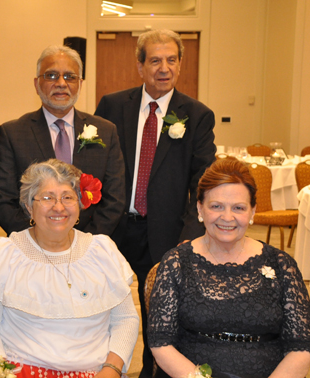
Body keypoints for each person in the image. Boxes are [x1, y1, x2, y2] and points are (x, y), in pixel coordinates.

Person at [94, 29, 216, 378]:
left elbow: (201, 183)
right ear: (140, 65)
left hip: (167, 234)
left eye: (172, 60)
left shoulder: (197, 115)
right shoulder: (113, 105)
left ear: (180, 64)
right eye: (155, 60)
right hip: (114, 228)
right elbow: (95, 168)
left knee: (159, 319)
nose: (164, 68)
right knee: (102, 309)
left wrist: (188, 237)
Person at [0, 159, 139, 378]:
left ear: (78, 204)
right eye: (47, 198)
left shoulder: (102, 251)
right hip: (19, 373)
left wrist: (112, 369)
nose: (58, 207)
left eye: (67, 197)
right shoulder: (4, 255)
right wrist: (2, 375)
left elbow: (125, 320)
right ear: (29, 206)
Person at [148, 158, 310, 378]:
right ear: (200, 208)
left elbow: (301, 347)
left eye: (238, 208)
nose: (227, 217)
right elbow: (161, 342)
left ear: (253, 211)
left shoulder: (282, 265)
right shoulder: (176, 263)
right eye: (216, 206)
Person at [0, 45, 125, 238]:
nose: (61, 83)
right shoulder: (13, 133)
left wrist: (83, 243)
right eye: (52, 75)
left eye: (70, 76)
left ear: (80, 84)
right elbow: (2, 199)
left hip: (90, 247)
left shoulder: (106, 131)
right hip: (33, 248)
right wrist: (39, 238)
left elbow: (115, 199)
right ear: (37, 84)